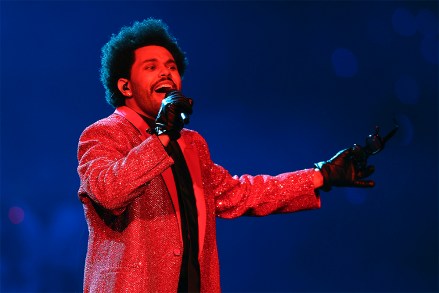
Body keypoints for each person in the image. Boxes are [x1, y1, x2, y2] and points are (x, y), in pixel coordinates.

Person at [76, 18, 375, 292]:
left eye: (171, 66)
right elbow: (108, 193)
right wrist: (161, 137)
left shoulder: (191, 144)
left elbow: (241, 193)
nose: (166, 72)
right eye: (151, 66)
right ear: (125, 86)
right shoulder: (104, 134)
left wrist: (321, 175)